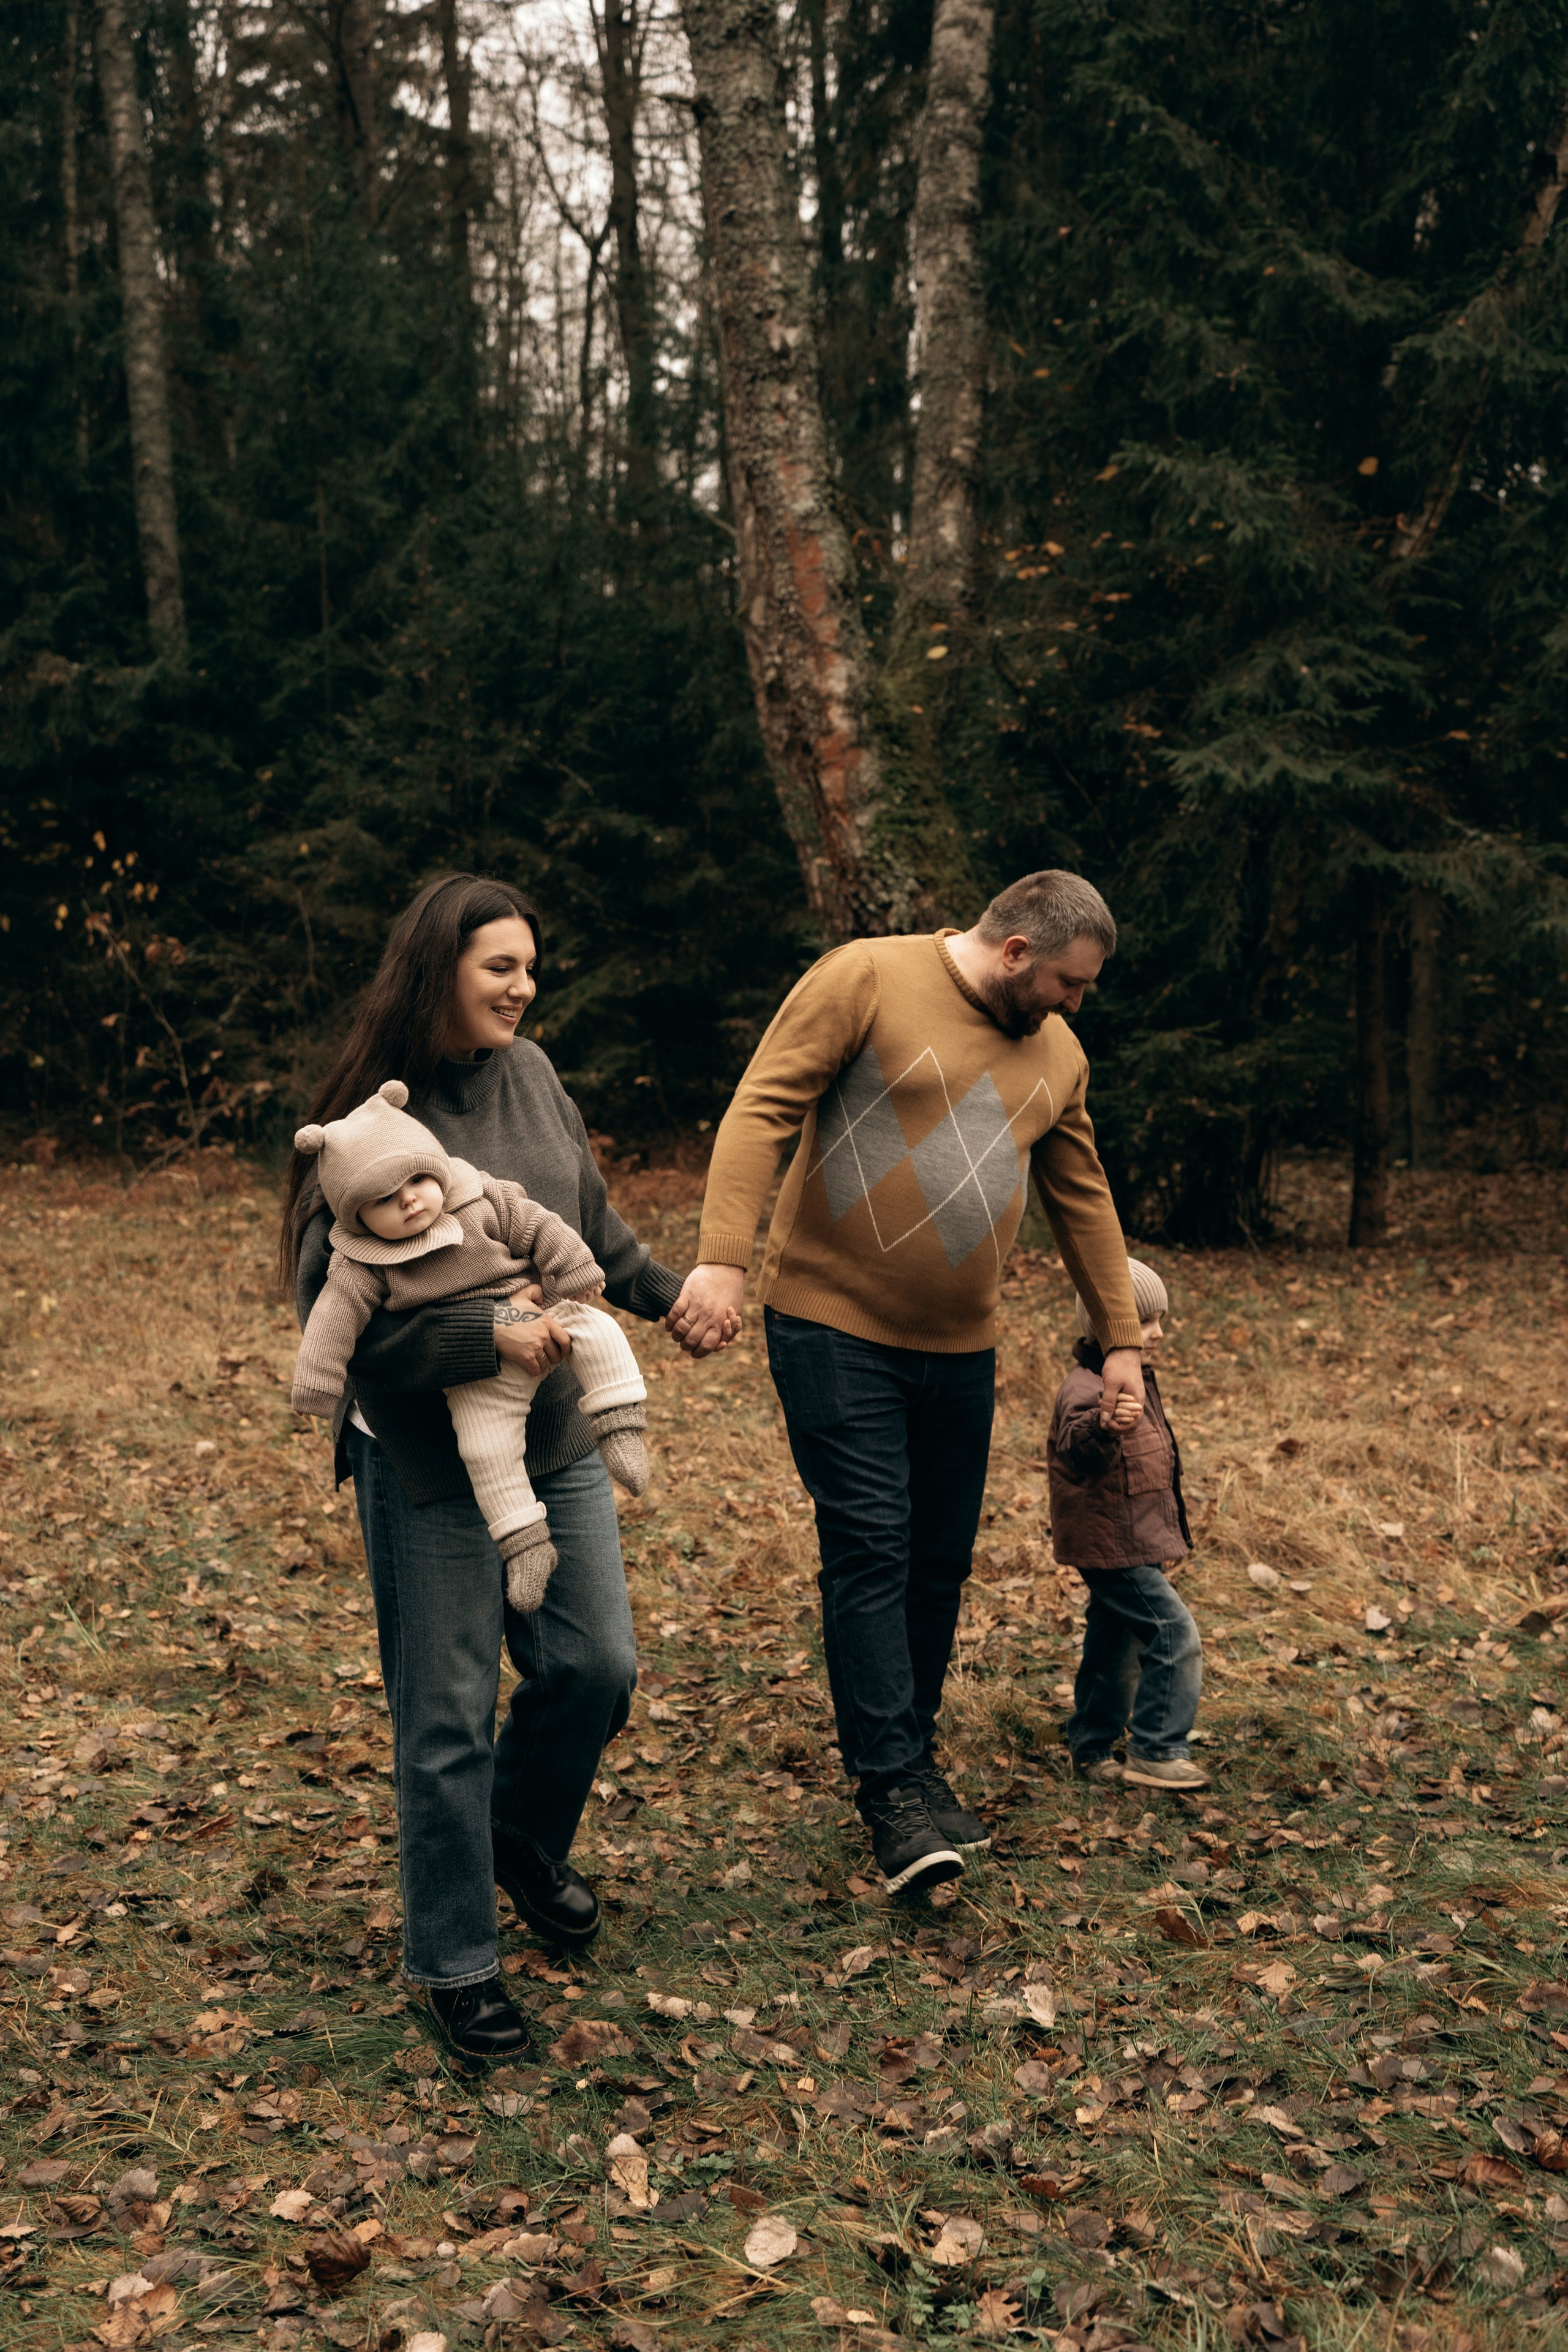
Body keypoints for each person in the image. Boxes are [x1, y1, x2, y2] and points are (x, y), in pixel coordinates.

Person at [279, 873, 715, 2062]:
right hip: (429, 1461)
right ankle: (456, 1960)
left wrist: (670, 1296)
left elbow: (586, 1227)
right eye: (500, 968)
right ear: (440, 970)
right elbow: (336, 1320)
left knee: (596, 1666)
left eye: (531, 967)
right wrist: (487, 1335)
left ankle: (517, 1834)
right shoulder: (369, 1123)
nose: (524, 988)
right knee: (447, 1717)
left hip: (555, 1434)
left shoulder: (533, 1076)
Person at [668, 870, 1146, 1894]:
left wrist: (1122, 1343)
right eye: (1068, 982)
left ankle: (912, 1758)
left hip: (961, 1346)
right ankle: (889, 1785)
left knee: (937, 1562)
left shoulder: (1059, 1055)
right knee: (872, 1546)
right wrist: (721, 1258)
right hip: (831, 1322)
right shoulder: (868, 978)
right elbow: (762, 1109)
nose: (1075, 1002)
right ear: (1015, 952)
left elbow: (1084, 1200)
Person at [290, 1079, 649, 1610]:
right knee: (485, 1451)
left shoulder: (481, 1199)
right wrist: (318, 1386)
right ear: (356, 1215)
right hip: (475, 1378)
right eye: (384, 1199)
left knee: (600, 1334)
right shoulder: (363, 1263)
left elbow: (542, 1227)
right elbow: (331, 1323)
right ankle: (525, 1544)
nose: (409, 1199)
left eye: (417, 1179)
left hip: (548, 1319)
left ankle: (620, 1426)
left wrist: (573, 1267)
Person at [1046, 1257, 1207, 1790]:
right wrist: (1104, 1427)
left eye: (1160, 1319)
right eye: (1144, 1322)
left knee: (1113, 1645)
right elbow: (1080, 1448)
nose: (1157, 1332)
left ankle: (1091, 1745)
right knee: (1173, 1634)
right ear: (1105, 1327)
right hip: (1111, 1545)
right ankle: (1156, 1749)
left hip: (1132, 1539)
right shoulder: (1086, 1388)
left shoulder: (1136, 1378)